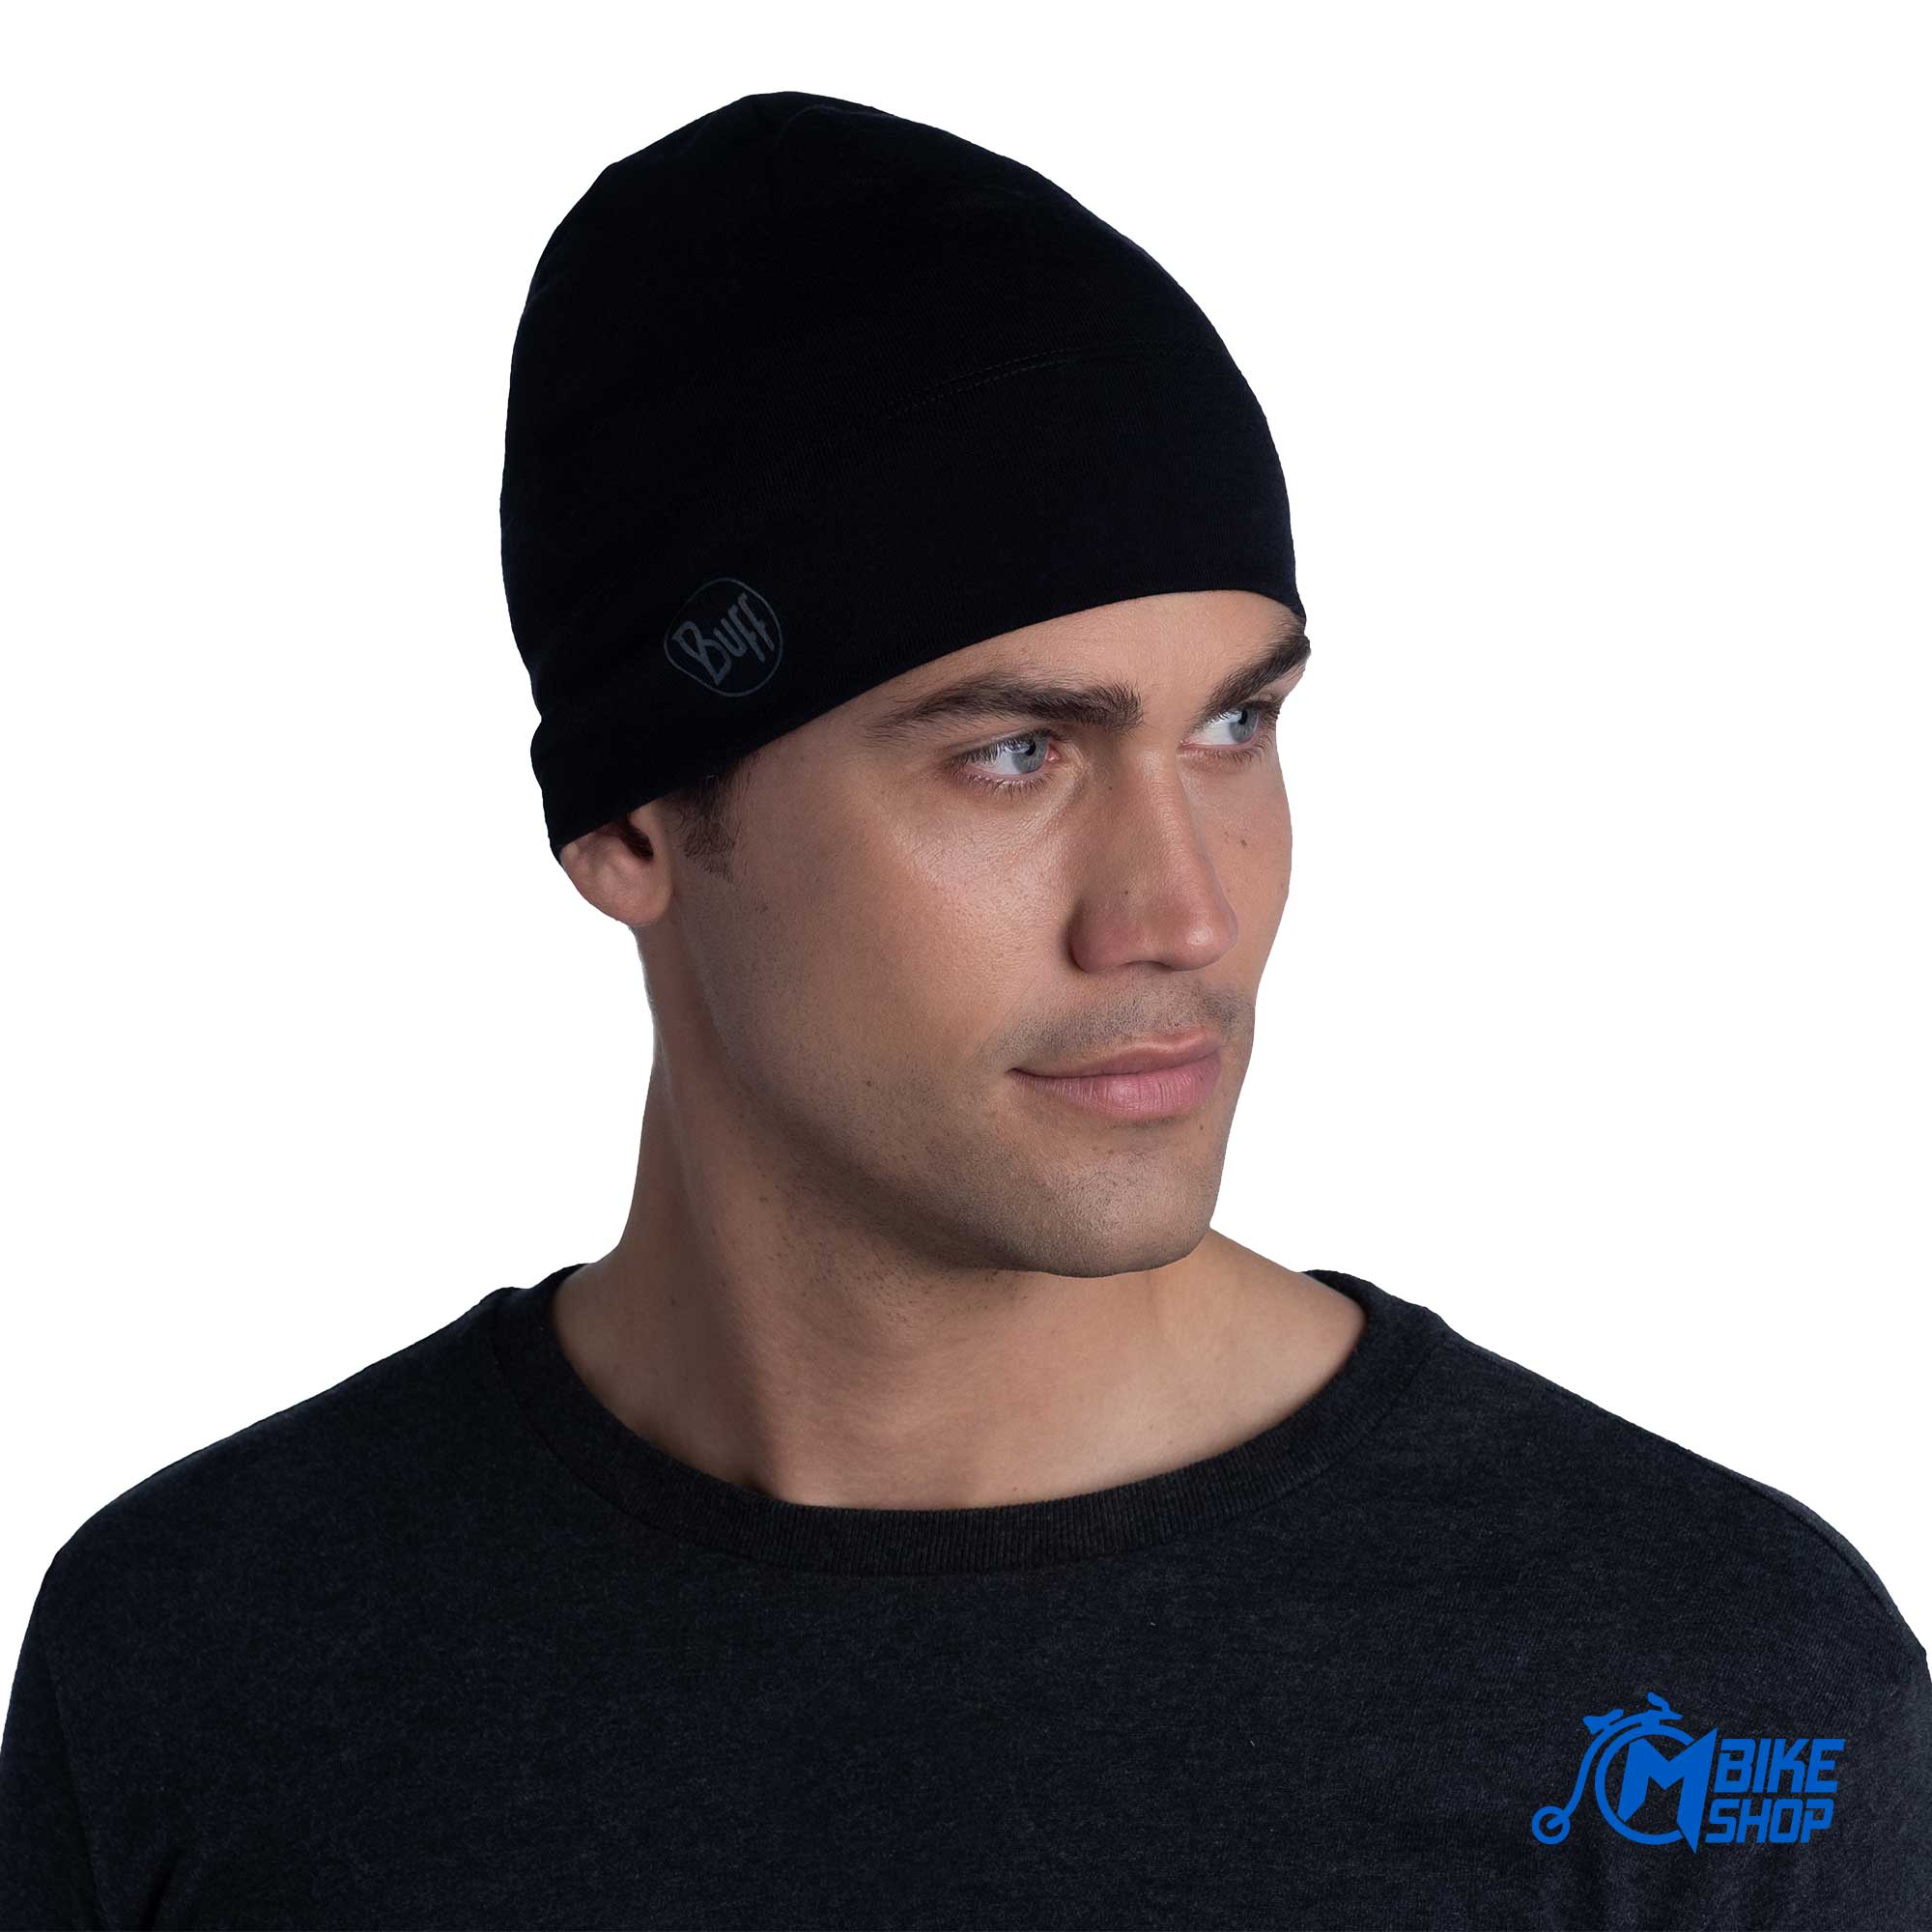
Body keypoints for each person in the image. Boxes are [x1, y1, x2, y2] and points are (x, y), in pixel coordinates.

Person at [2, 89, 1926, 1932]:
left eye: (1234, 725)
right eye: (1015, 753)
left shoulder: (1703, 1697)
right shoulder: (198, 1661)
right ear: (634, 823)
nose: (1182, 913)